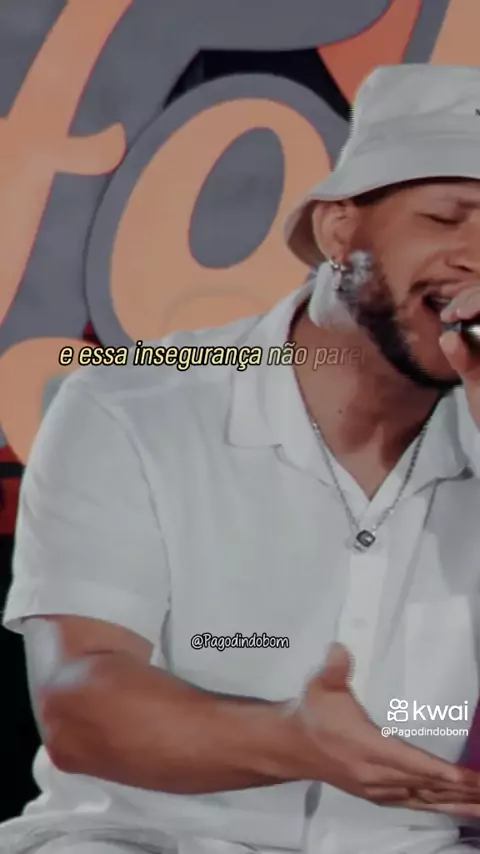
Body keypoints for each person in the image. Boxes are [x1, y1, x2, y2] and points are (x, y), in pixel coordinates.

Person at [3, 63, 480, 854]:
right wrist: (294, 739)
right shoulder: (136, 404)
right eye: (448, 217)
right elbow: (80, 702)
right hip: (145, 842)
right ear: (339, 231)